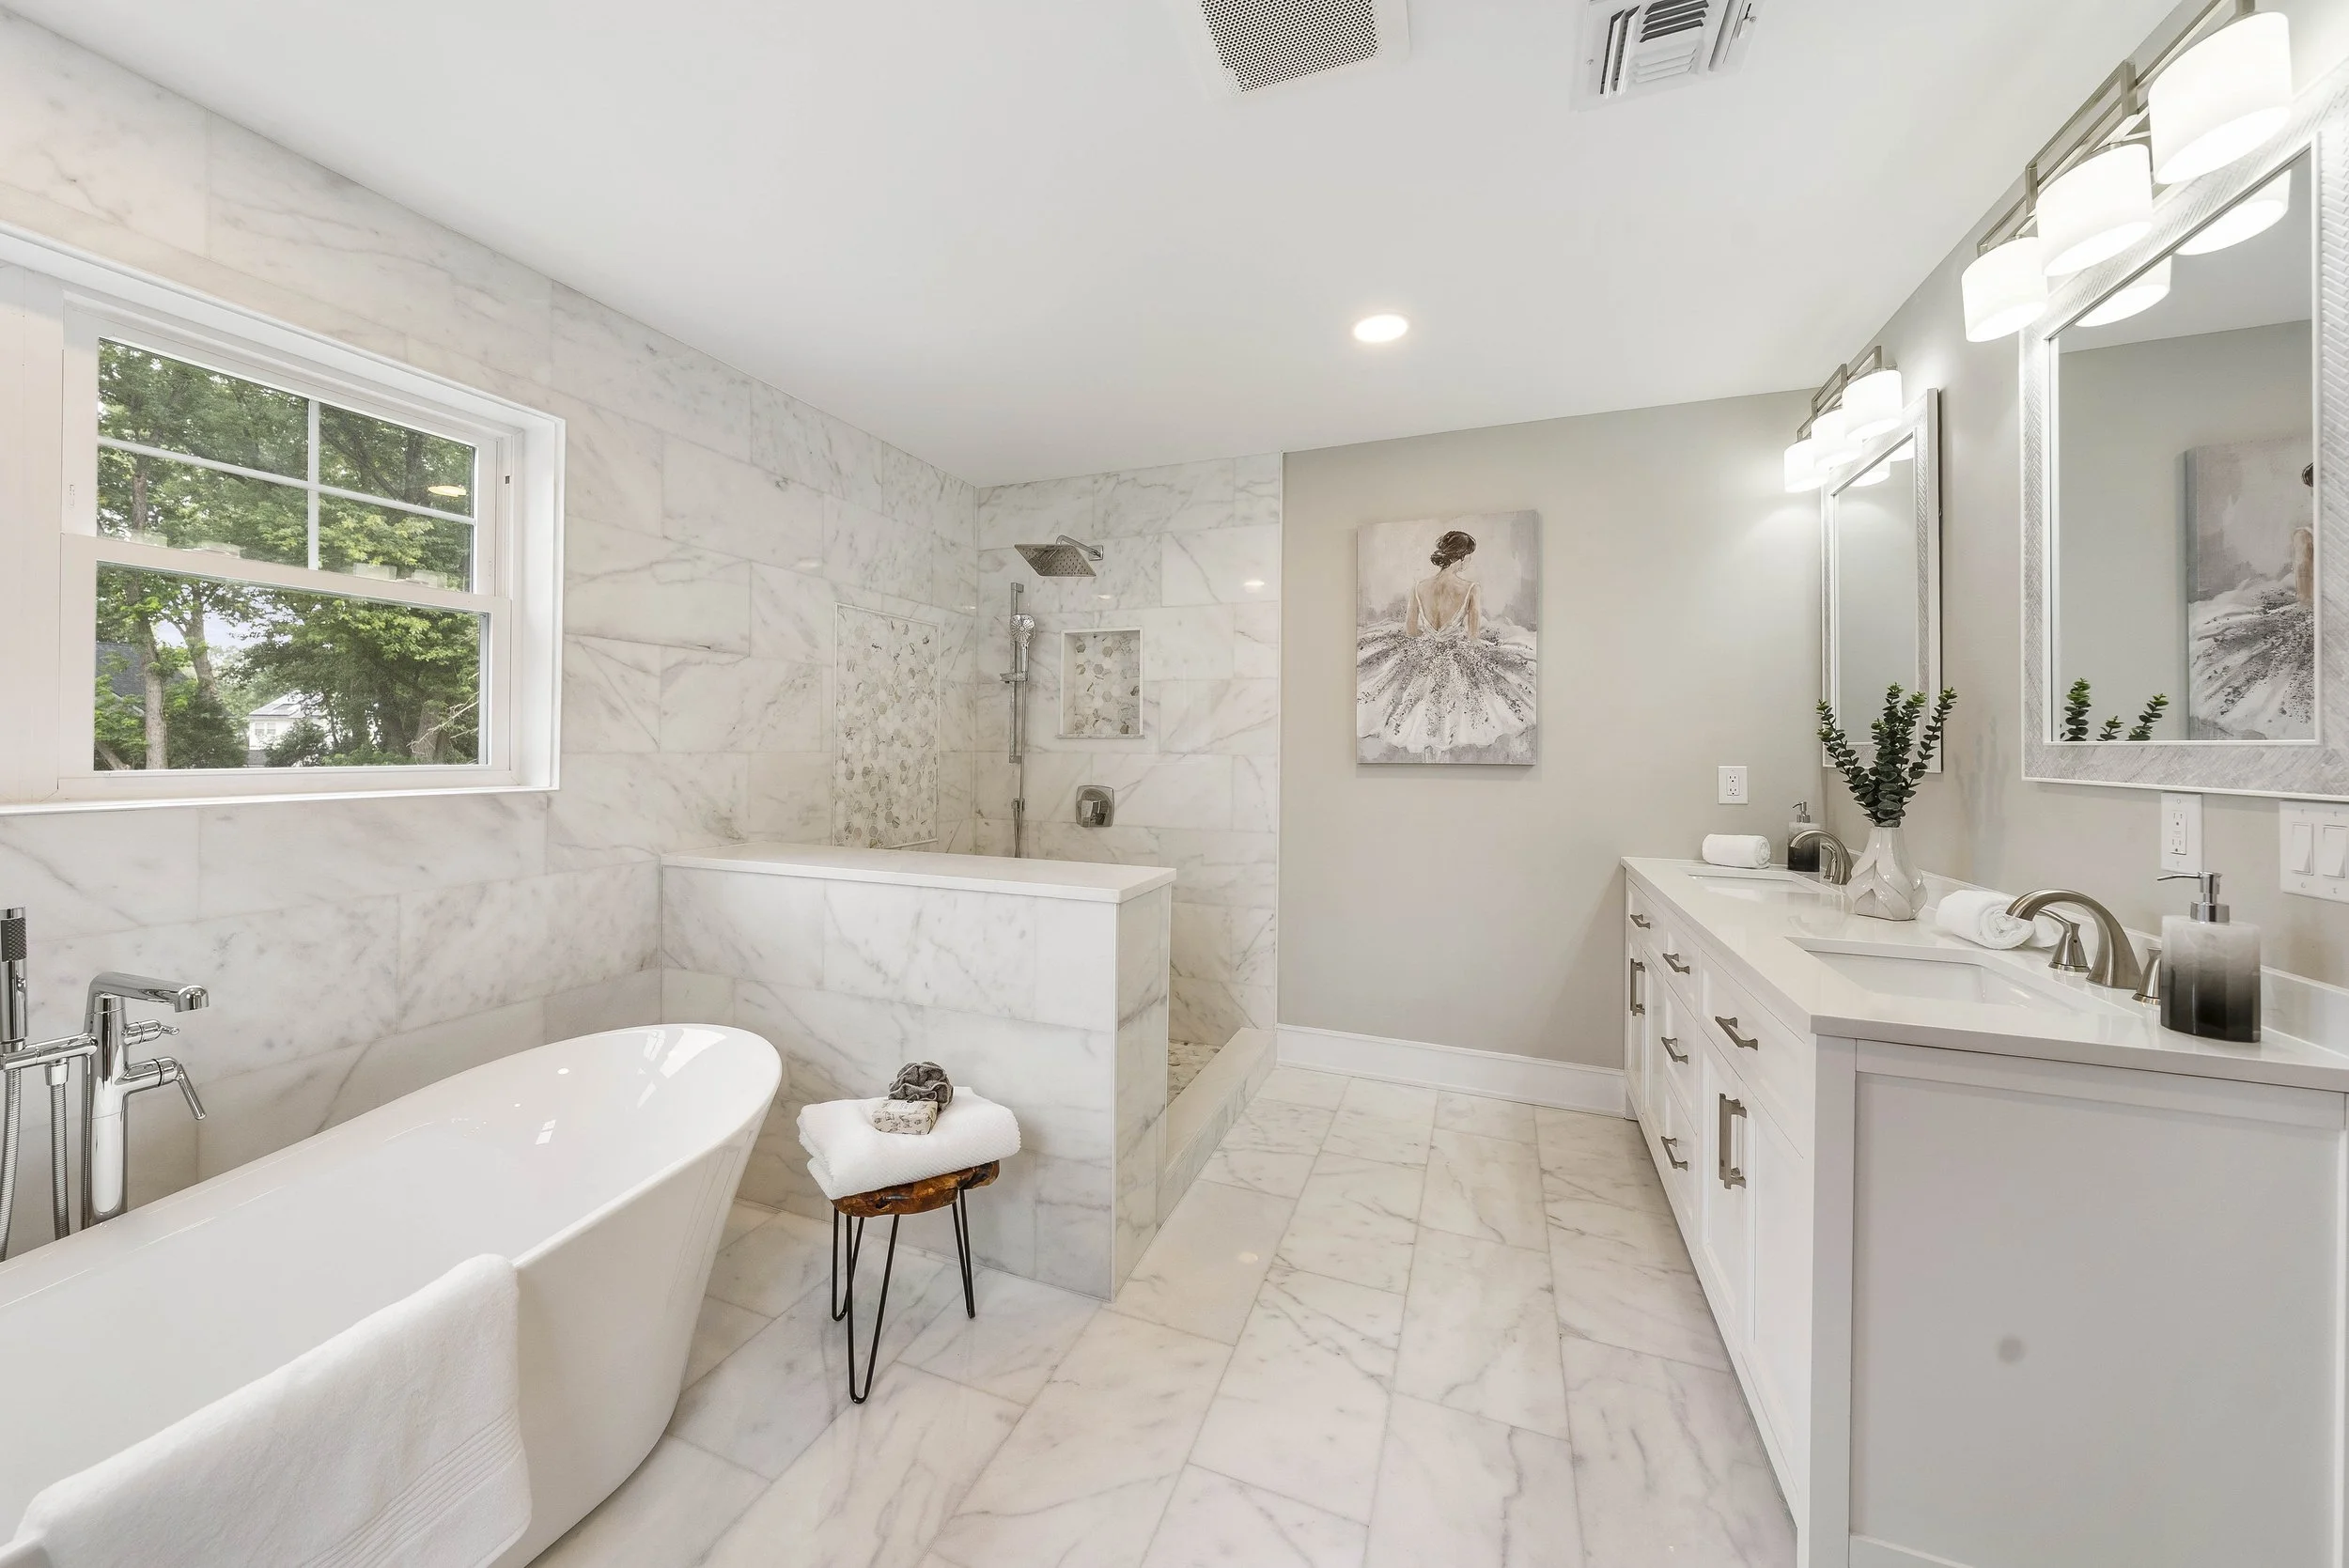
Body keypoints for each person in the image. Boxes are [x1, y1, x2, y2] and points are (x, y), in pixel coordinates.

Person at [1356, 528, 1536, 758]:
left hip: (1422, 654)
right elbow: (1473, 635)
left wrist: (1432, 635)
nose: (1469, 560)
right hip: (1456, 654)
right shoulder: (1471, 588)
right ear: (1460, 556)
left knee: (1419, 717)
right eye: (1469, 554)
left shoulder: (1419, 587)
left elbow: (1410, 631)